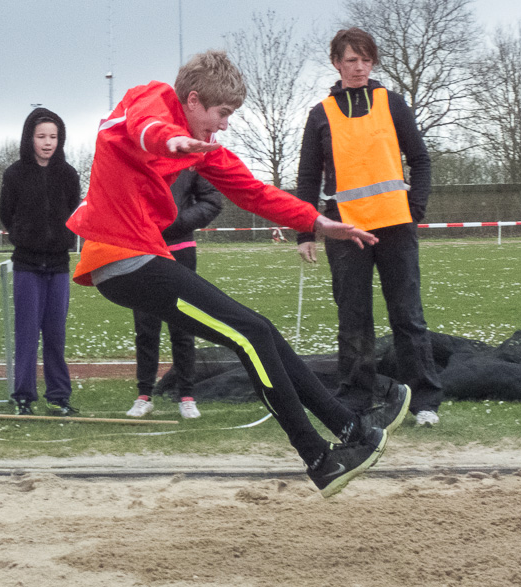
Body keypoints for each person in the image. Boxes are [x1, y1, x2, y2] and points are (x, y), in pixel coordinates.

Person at [67, 50, 411, 497]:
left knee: (259, 330)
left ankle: (349, 429)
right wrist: (171, 140)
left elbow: (254, 192)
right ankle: (319, 459)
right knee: (248, 333)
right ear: (193, 100)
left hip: (143, 259)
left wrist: (318, 223)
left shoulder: (201, 150)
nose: (225, 125)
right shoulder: (151, 101)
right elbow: (147, 126)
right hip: (122, 261)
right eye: (222, 113)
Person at [296, 27, 443, 426]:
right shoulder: (319, 115)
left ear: (373, 62)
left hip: (396, 228)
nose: (359, 67)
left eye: (365, 59)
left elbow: (421, 160)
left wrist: (415, 209)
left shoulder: (393, 103)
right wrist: (305, 231)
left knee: (408, 316)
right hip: (345, 233)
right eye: (351, 60)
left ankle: (424, 401)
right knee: (353, 318)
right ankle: (357, 398)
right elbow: (307, 179)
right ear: (336, 63)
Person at [0, 107, 82, 416]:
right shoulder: (14, 174)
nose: (48, 142)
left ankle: (58, 397)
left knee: (55, 334)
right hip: (27, 266)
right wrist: (25, 234)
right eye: (41, 136)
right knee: (27, 333)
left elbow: (74, 212)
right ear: (29, 138)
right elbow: (6, 214)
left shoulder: (69, 174)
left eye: (53, 137)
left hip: (58, 265)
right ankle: (23, 396)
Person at [127, 169, 222, 420]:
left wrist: (178, 221)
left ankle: (187, 396)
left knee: (183, 324)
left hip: (180, 250)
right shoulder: (138, 155)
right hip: (142, 249)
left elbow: (212, 200)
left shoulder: (190, 159)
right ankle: (144, 395)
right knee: (145, 326)